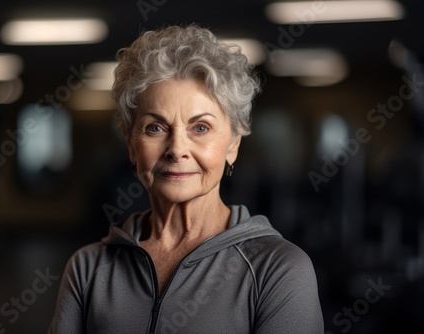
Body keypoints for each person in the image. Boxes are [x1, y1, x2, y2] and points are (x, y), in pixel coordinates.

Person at [48, 24, 324, 333]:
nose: (177, 149)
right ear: (131, 144)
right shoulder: (89, 269)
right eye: (155, 127)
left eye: (201, 128)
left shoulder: (278, 270)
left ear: (233, 144)